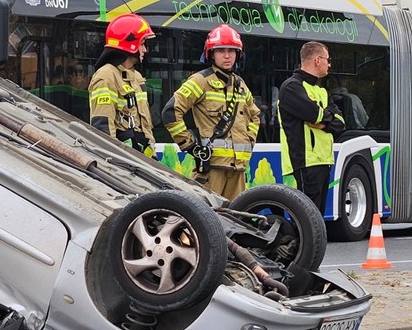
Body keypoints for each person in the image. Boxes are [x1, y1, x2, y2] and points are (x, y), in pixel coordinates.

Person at [165, 24, 260, 198]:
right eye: (220, 50)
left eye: (231, 51)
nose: (227, 55)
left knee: (236, 220)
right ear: (211, 54)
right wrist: (191, 146)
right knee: (206, 219)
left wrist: (250, 142)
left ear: (238, 54)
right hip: (211, 169)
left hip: (238, 169)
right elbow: (170, 112)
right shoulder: (200, 80)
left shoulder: (240, 85)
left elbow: (255, 117)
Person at [277, 41, 345, 214]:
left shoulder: (321, 91)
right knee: (307, 220)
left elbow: (340, 123)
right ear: (317, 60)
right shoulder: (292, 87)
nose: (329, 64)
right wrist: (324, 117)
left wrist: (323, 121)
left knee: (317, 219)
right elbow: (314, 115)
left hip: (323, 161)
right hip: (304, 163)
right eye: (327, 60)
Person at [89, 14, 156, 151]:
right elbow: (103, 129)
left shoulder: (136, 77)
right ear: (129, 43)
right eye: (142, 44)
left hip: (141, 158)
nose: (145, 50)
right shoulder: (106, 76)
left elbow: (144, 125)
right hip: (124, 161)